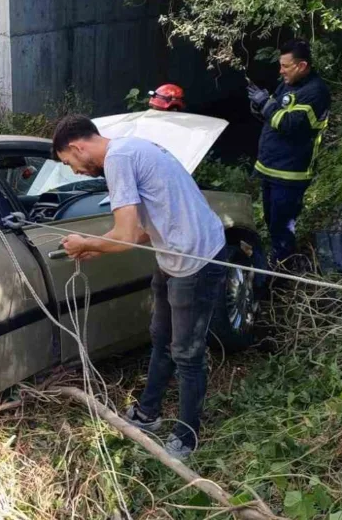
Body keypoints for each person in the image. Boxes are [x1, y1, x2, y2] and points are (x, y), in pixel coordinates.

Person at [53, 114, 228, 461]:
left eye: (68, 162)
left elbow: (127, 237)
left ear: (77, 147)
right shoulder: (130, 150)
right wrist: (93, 245)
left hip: (195, 260)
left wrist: (86, 242)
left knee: (187, 353)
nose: (73, 170)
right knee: (160, 337)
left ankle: (187, 435)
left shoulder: (118, 159)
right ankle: (148, 412)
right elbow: (145, 227)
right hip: (172, 256)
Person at [246, 39, 331, 269]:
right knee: (271, 221)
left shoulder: (316, 92)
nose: (280, 70)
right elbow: (274, 114)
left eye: (285, 66)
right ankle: (278, 258)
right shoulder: (287, 84)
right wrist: (260, 107)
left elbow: (291, 124)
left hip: (291, 172)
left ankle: (284, 268)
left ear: (302, 66)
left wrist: (266, 105)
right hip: (269, 167)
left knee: (282, 227)